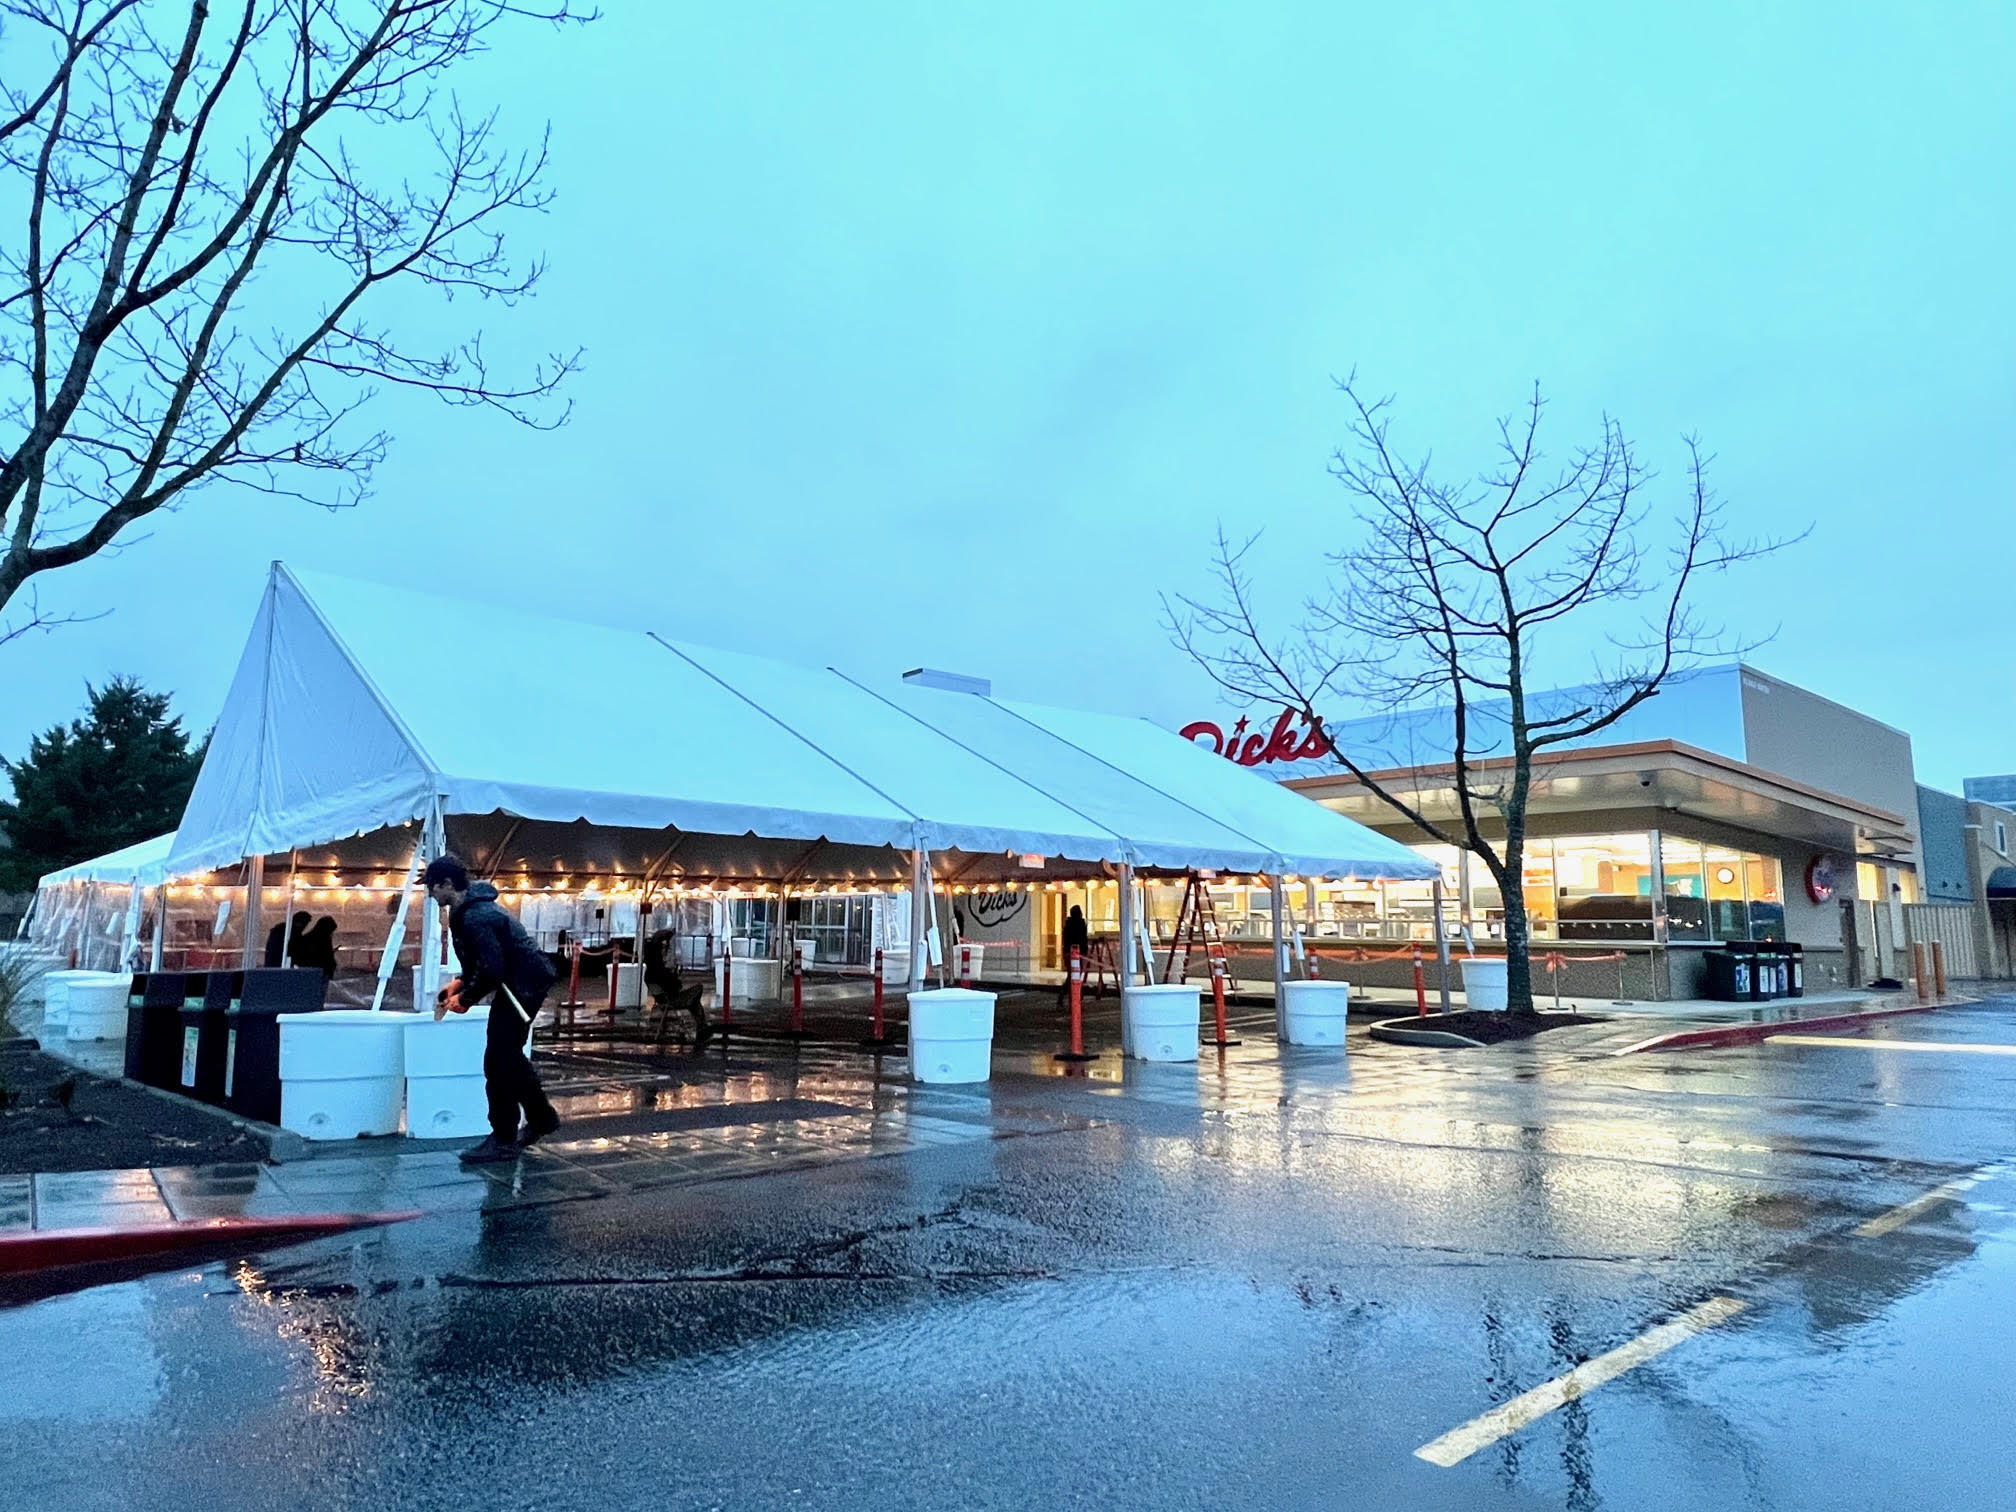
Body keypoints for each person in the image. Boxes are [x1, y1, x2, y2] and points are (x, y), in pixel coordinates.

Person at [424, 855, 561, 1164]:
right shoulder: (469, 911)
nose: (430, 895)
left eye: (432, 888)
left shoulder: (475, 916)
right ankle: (538, 1119)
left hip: (521, 985)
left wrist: (465, 999)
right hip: (522, 982)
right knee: (505, 1056)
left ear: (447, 885)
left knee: (500, 1058)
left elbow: (491, 970)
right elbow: (480, 962)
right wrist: (458, 984)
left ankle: (506, 1136)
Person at [643, 927, 712, 1047]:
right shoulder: (658, 970)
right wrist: (674, 975)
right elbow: (674, 987)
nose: (665, 950)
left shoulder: (652, 970)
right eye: (664, 948)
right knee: (698, 989)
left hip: (664, 998)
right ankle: (702, 1027)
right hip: (671, 999)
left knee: (694, 1002)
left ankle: (702, 1027)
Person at [1058, 904, 1090, 1005]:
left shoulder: (1068, 924)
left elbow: (1066, 939)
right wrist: (1084, 951)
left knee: (1071, 975)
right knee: (1075, 975)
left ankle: (1067, 995)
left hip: (1068, 952)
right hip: (1077, 953)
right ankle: (1074, 997)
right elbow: (1083, 939)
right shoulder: (1080, 924)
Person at [294, 917, 340, 981]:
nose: (332, 934)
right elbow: (325, 958)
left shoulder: (306, 938)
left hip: (306, 973)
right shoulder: (325, 940)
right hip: (319, 974)